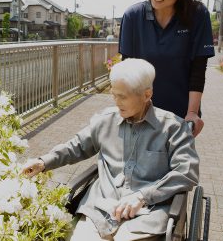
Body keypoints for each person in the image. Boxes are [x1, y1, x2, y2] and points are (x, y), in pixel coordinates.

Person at [22, 58, 199, 241]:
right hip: (99, 211)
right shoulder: (105, 120)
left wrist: (143, 196)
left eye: (122, 96)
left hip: (148, 215)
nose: (116, 102)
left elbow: (187, 171)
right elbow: (76, 146)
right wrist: (44, 162)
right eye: (114, 94)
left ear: (147, 95)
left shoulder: (173, 128)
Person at [118, 0, 215, 137]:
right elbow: (126, 71)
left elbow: (197, 70)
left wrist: (192, 113)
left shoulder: (197, 15)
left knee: (177, 165)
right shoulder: (133, 16)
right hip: (140, 115)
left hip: (179, 117)